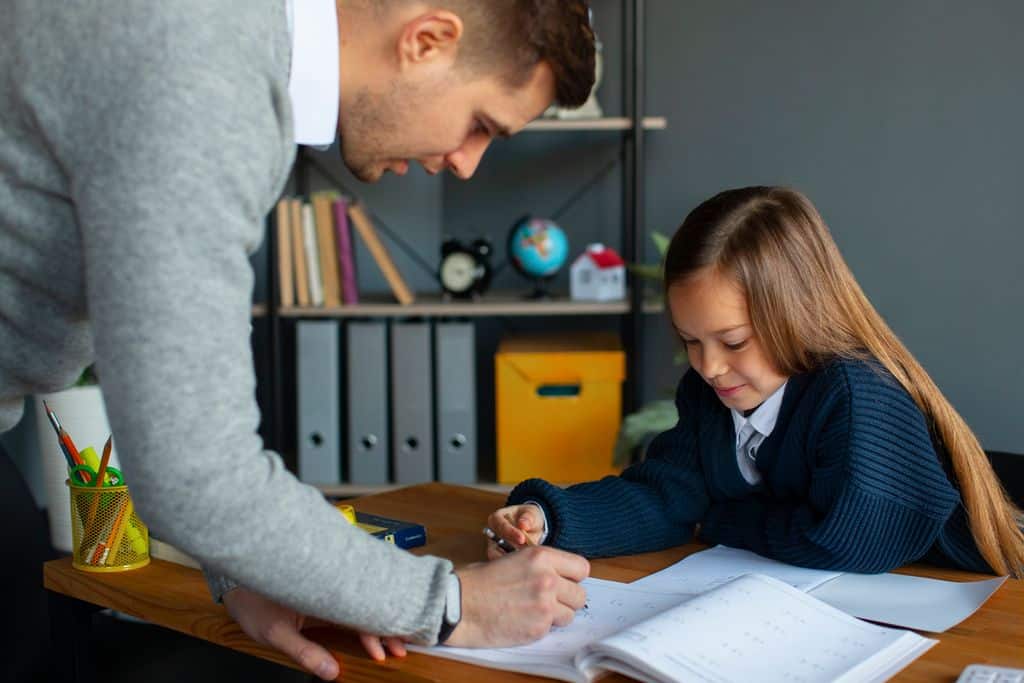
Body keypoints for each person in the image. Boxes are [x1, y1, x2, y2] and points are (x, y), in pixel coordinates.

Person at [0, 0, 596, 679]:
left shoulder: (216, 39)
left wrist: (250, 568)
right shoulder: (203, 72)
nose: (466, 164)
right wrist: (453, 603)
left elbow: (164, 364)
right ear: (427, 40)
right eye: (480, 124)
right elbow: (195, 473)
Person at [487, 186, 1024, 579]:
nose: (709, 366)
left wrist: (720, 519)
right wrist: (546, 517)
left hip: (975, 600)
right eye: (691, 341)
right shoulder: (711, 394)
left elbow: (849, 542)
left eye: (734, 341)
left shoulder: (855, 395)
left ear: (799, 314)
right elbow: (667, 495)